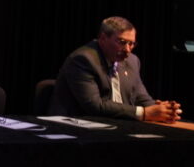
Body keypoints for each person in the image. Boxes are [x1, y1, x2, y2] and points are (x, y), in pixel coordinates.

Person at [49, 16, 182, 122]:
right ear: (102, 39)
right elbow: (95, 106)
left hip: (118, 124)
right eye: (122, 42)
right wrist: (144, 113)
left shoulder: (132, 61)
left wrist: (162, 109)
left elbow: (141, 97)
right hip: (77, 125)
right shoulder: (83, 59)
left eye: (132, 44)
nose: (128, 50)